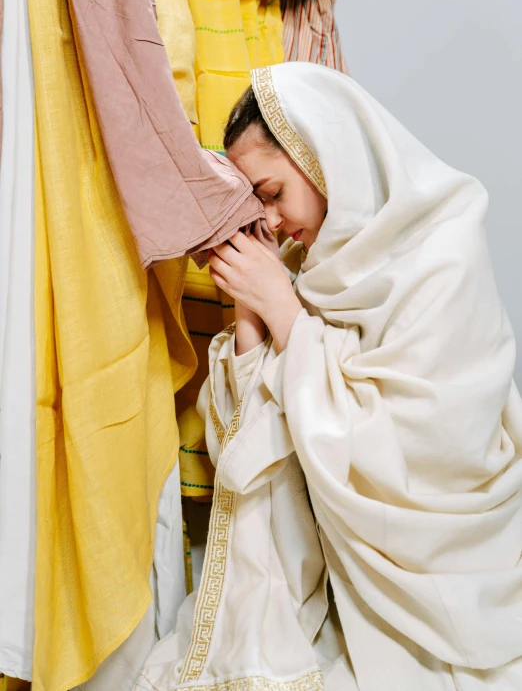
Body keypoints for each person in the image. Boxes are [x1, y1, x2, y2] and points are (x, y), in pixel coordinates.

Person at [134, 62, 522, 690]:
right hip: (335, 551)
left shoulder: (443, 254)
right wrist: (253, 312)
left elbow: (428, 446)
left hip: (445, 546)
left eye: (272, 191)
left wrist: (285, 309)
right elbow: (250, 436)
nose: (272, 217)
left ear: (324, 158)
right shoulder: (306, 259)